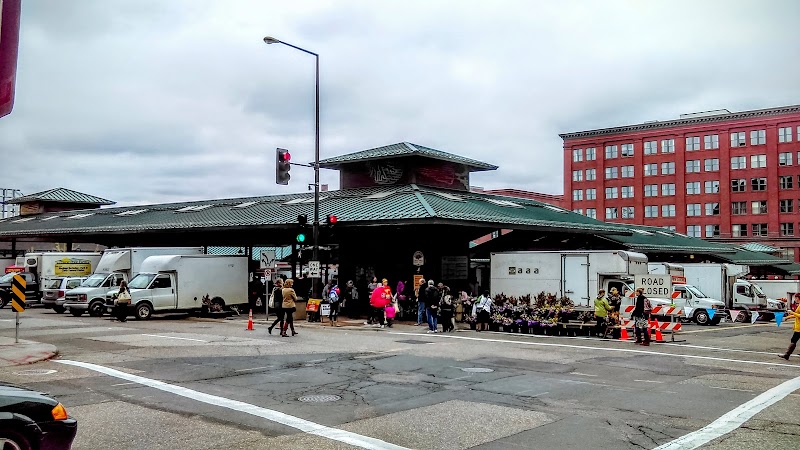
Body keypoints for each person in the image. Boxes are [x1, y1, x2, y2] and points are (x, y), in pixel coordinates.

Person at [781, 293, 800, 360]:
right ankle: (787, 354)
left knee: (793, 340)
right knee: (794, 340)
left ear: (798, 298)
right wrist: (788, 317)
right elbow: (797, 314)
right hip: (798, 326)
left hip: (799, 328)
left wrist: (792, 312)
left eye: (795, 298)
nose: (795, 299)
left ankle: (787, 354)